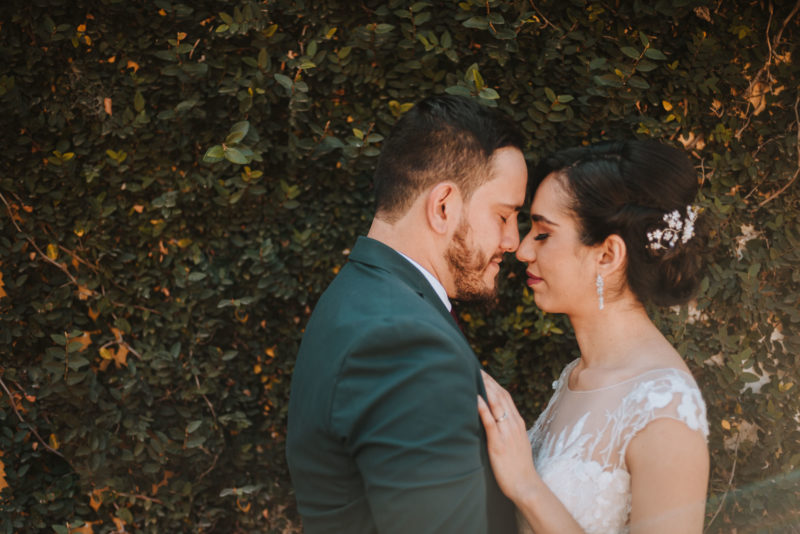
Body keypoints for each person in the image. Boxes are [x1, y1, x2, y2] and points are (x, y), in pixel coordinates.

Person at [286, 95, 527, 533]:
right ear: (443, 207)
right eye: (505, 215)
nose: (513, 240)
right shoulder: (406, 343)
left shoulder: (358, 293)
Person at [476, 140, 710, 533]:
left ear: (607, 256)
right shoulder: (578, 374)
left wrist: (526, 487)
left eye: (544, 234)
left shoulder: (664, 406)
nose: (522, 251)